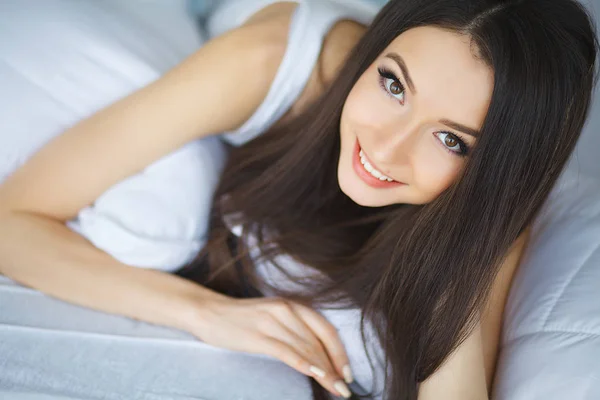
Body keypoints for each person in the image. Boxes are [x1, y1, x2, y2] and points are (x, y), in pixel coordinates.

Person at [0, 0, 597, 399]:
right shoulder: (267, 65)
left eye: (451, 139)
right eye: (393, 84)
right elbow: (12, 222)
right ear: (376, 52)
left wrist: (480, 247)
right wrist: (204, 313)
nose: (385, 149)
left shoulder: (490, 217)